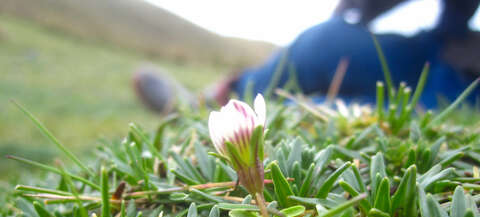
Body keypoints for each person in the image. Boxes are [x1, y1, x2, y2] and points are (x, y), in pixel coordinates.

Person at [134, 0, 480, 113]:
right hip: (449, 48)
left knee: (340, 112)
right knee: (324, 42)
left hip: (467, 95)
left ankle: (260, 113)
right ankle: (215, 101)